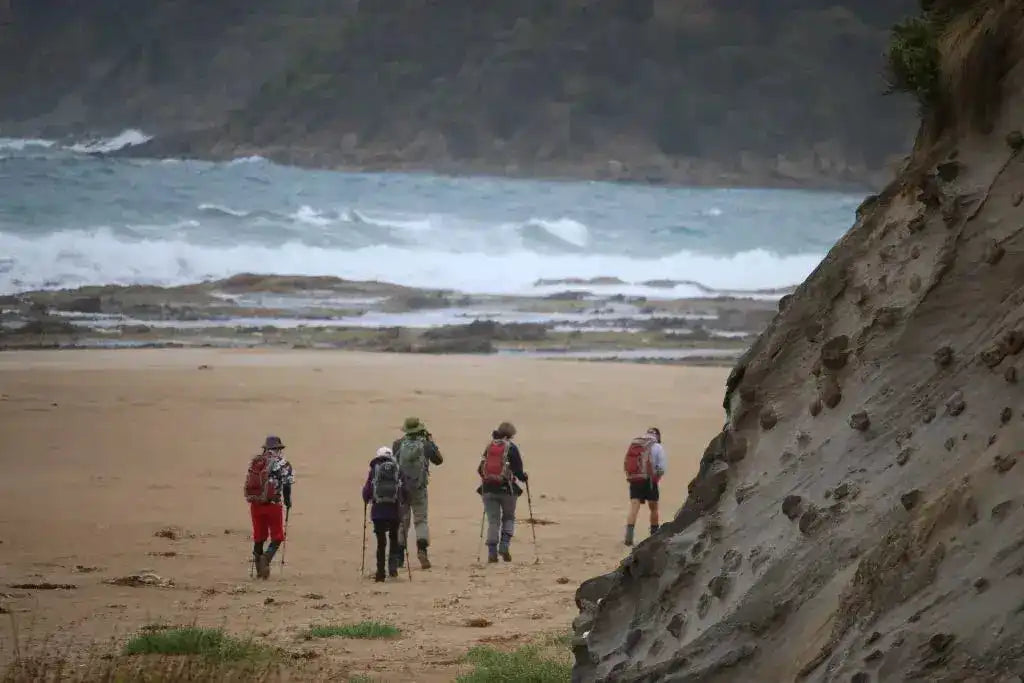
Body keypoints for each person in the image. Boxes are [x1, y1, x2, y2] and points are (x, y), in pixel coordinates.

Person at [393, 417, 443, 569]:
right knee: (421, 520)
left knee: (403, 521)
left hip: (402, 488)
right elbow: (439, 460)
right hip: (419, 487)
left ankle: (399, 556)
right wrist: (431, 442)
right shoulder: (425, 444)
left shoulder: (398, 444)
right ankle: (422, 550)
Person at [243, 435, 295, 579]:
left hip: (256, 504)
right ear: (278, 449)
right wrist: (288, 502)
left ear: (266, 448)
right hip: (273, 505)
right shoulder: (283, 463)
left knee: (259, 536)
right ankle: (266, 558)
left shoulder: (256, 462)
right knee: (277, 536)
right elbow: (287, 485)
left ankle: (260, 570)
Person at [476, 422, 528, 562]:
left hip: (488, 489)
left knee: (493, 521)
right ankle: (504, 546)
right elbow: (518, 471)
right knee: (509, 518)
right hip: (507, 490)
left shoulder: (489, 447)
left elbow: (480, 469)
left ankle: (492, 552)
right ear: (510, 435)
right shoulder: (511, 448)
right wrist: (524, 477)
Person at [361, 446, 406, 582]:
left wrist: (367, 499)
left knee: (381, 542)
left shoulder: (374, 470)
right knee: (393, 538)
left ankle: (380, 573)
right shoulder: (397, 470)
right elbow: (404, 489)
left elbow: (367, 491)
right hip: (394, 510)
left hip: (378, 511)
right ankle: (393, 569)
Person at [623, 427, 666, 546]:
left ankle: (628, 538)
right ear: (658, 436)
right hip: (650, 481)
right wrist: (656, 478)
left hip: (635, 479)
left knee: (634, 508)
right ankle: (654, 535)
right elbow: (662, 467)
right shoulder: (657, 447)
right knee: (653, 508)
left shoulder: (637, 444)